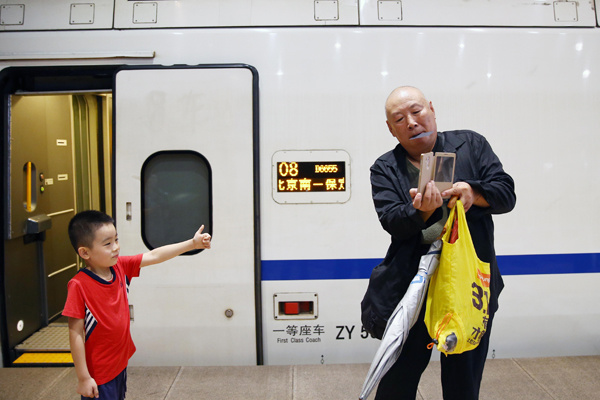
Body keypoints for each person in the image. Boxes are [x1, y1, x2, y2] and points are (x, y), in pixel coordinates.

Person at [361, 86, 516, 399]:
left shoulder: (470, 144)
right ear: (391, 129)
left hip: (468, 287)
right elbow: (391, 220)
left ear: (431, 109)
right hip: (413, 289)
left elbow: (506, 193)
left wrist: (474, 193)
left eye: (417, 111)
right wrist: (422, 211)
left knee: (463, 383)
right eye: (399, 118)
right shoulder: (385, 168)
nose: (412, 122)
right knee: (397, 381)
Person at [62, 210, 212, 399]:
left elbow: (155, 255)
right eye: (107, 244)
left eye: (116, 240)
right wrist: (83, 378)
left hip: (118, 365)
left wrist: (192, 244)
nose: (116, 247)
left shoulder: (120, 267)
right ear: (85, 252)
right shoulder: (79, 285)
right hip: (99, 375)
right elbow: (75, 332)